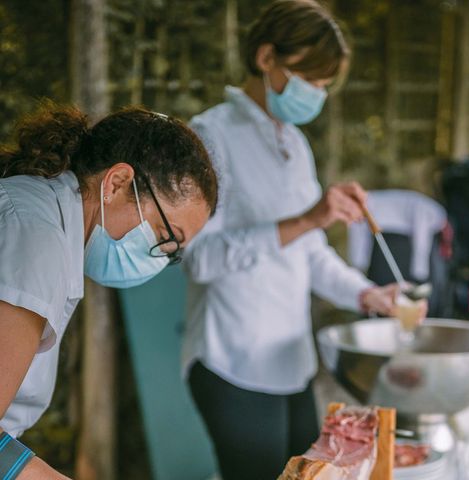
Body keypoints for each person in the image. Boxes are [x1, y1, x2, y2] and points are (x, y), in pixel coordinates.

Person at [182, 1, 423, 478]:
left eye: (323, 85)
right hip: (234, 362)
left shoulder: (294, 143)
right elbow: (200, 260)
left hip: (293, 363)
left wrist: (366, 293)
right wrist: (308, 218)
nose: (315, 94)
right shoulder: (210, 137)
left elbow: (311, 255)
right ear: (267, 57)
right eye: (309, 79)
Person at [0, 103, 218, 479]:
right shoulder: (37, 240)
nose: (162, 256)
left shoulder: (40, 212)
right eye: (167, 238)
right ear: (116, 183)